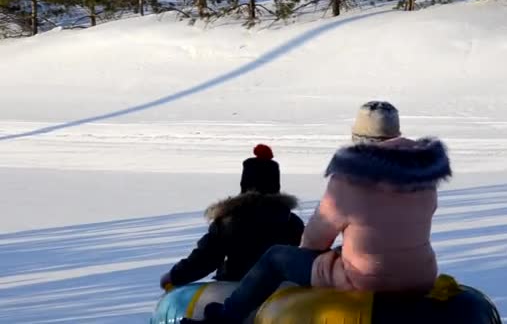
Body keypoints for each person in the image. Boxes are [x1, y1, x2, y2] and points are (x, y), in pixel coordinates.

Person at [188, 101, 453, 324]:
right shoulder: (425, 177)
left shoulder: (350, 178)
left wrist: (311, 258)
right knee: (347, 251)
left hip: (366, 279)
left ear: (358, 137)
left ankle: (225, 317)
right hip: (421, 276)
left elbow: (315, 239)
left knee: (275, 257)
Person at [160, 144, 305, 290]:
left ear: (244, 185)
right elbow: (305, 256)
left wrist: (175, 276)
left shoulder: (229, 222)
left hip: (234, 290)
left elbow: (206, 258)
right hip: (281, 292)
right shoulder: (291, 222)